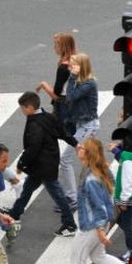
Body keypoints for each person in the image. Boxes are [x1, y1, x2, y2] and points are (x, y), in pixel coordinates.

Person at [57, 139, 128, 264]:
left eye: (82, 147)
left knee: (77, 258)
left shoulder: (91, 179)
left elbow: (99, 206)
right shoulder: (96, 170)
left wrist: (101, 231)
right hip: (98, 224)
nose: (79, 147)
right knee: (98, 256)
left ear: (87, 154)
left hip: (92, 225)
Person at [5, 91, 78, 237]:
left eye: (23, 108)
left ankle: (70, 224)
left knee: (57, 195)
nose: (22, 111)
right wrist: (75, 143)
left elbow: (33, 148)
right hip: (46, 163)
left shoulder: (34, 124)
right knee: (27, 189)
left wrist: (21, 163)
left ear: (30, 107)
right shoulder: (48, 117)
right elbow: (62, 132)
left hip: (43, 166)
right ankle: (15, 213)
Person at [40, 52, 99, 208]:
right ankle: (88, 191)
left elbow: (71, 97)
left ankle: (72, 197)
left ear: (81, 67)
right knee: (89, 161)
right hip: (81, 125)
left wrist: (72, 77)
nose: (70, 67)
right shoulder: (81, 82)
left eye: (73, 64)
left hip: (87, 126)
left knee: (66, 160)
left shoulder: (88, 84)